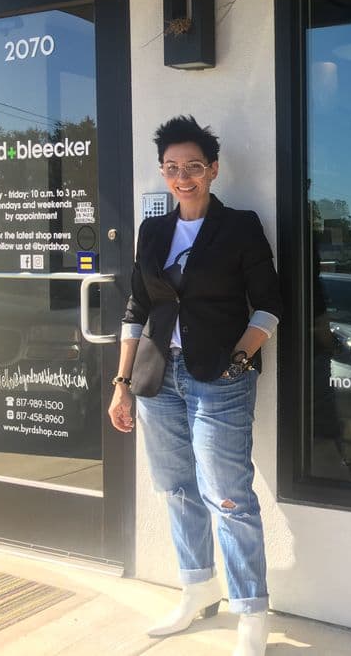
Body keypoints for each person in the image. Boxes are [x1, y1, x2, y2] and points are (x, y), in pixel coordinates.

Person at [107, 115, 282, 656]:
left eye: (193, 167)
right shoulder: (153, 231)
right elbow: (139, 306)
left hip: (219, 380)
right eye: (172, 168)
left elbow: (271, 303)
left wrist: (238, 358)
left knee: (228, 497)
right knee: (177, 488)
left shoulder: (240, 226)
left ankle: (251, 613)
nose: (183, 177)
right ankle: (196, 589)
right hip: (157, 377)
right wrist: (121, 382)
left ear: (212, 170)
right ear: (163, 173)